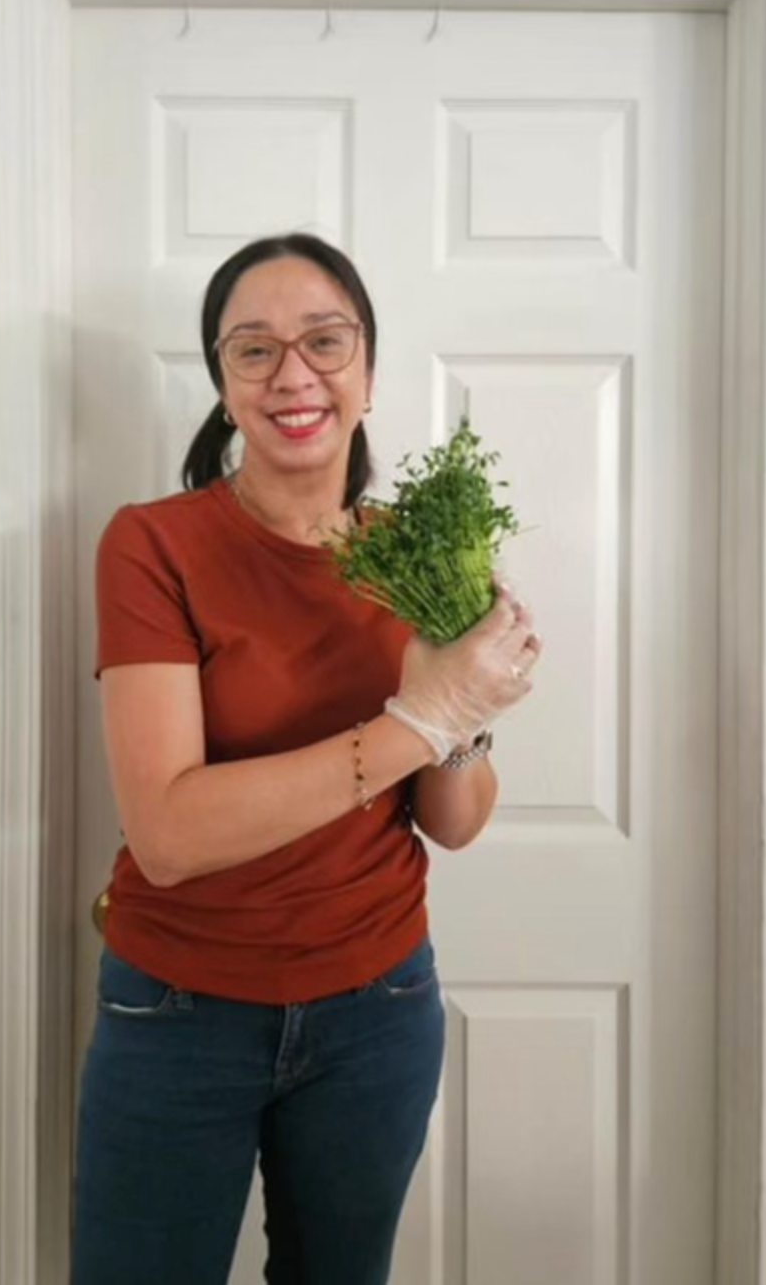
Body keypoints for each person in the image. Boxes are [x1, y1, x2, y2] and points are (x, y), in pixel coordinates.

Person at [72, 233, 543, 1285]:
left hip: (378, 1009)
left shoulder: (420, 554)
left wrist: (466, 718)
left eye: (325, 342)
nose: (293, 374)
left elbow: (454, 821)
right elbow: (169, 834)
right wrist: (426, 715)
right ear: (222, 384)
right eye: (255, 349)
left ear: (367, 371)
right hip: (178, 1011)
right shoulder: (152, 546)